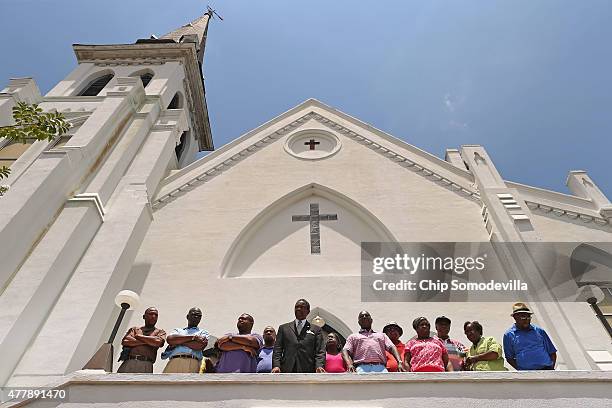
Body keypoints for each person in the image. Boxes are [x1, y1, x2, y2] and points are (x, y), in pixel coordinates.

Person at [272, 299, 326, 373]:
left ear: (308, 311)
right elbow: (277, 349)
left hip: (308, 369)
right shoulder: (284, 328)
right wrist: (276, 366)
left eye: (302, 307)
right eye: (296, 307)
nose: (298, 309)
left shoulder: (316, 329)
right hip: (287, 369)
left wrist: (319, 366)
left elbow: (320, 351)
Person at [503, 302, 558, 370]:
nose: (527, 320)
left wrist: (551, 368)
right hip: (526, 374)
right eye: (523, 317)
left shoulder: (539, 331)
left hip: (546, 369)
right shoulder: (509, 335)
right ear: (515, 317)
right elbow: (509, 358)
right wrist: (521, 370)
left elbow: (552, 352)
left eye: (528, 317)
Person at [117, 307, 166, 373]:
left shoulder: (160, 332)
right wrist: (149, 342)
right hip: (129, 362)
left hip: (146, 364)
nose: (153, 316)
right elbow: (125, 341)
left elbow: (158, 342)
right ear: (144, 316)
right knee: (121, 382)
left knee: (142, 383)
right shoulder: (134, 329)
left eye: (156, 315)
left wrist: (139, 336)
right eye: (150, 314)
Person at [162, 307, 209, 373]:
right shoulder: (178, 330)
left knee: (189, 383)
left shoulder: (203, 332)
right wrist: (193, 338)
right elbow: (170, 339)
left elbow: (199, 346)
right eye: (194, 314)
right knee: (167, 383)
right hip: (175, 360)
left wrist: (179, 342)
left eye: (199, 316)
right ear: (187, 316)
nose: (196, 317)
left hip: (192, 361)